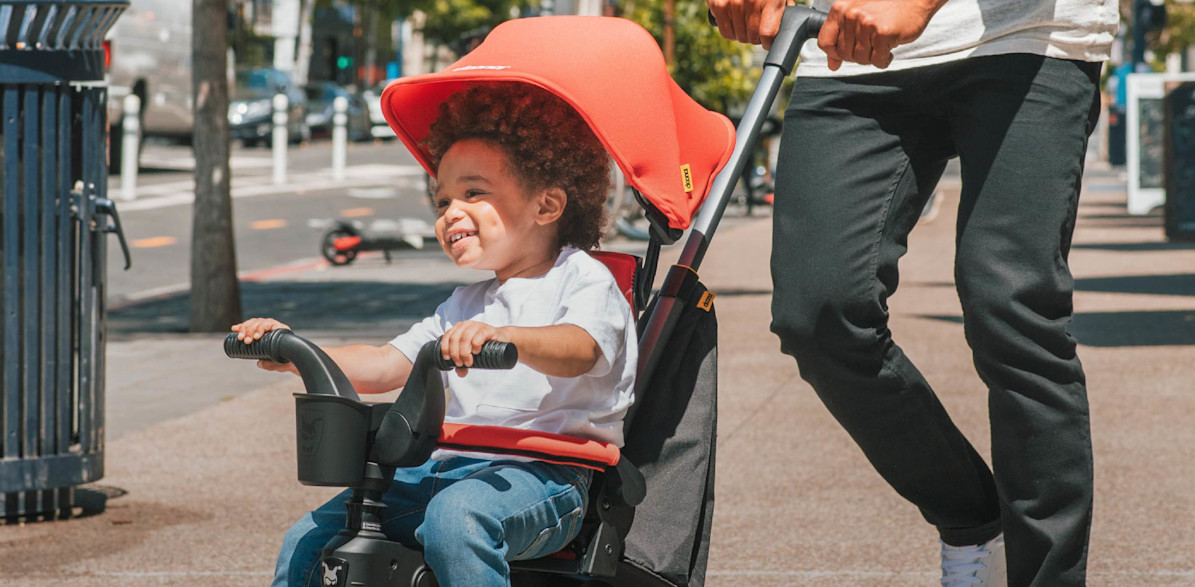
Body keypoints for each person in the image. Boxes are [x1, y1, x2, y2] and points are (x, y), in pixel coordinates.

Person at [708, 0, 1116, 585]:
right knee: (817, 312)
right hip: (847, 46)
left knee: (1010, 304)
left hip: (1024, 38)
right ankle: (975, 520)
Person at [231, 83, 637, 587]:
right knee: (310, 540)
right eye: (442, 200)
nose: (450, 213)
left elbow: (581, 349)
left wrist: (508, 338)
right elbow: (385, 363)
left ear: (546, 205)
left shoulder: (583, 278)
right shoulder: (464, 304)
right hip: (440, 471)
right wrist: (296, 351)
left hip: (546, 475)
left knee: (457, 519)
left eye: (474, 193)